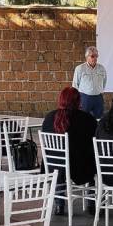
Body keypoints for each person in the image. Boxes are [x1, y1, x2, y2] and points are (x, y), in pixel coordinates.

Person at [42, 87, 98, 215]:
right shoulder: (86, 119)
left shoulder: (49, 117)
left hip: (53, 165)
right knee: (92, 161)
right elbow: (94, 142)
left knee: (61, 166)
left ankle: (59, 205)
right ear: (78, 101)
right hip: (78, 166)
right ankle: (91, 203)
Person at [72, 46, 107, 119]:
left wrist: (99, 90)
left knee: (99, 118)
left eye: (96, 56)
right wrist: (76, 99)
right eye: (92, 56)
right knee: (83, 118)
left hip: (98, 98)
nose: (95, 58)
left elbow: (104, 81)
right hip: (85, 98)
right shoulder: (80, 68)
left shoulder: (101, 68)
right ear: (87, 57)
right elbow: (75, 84)